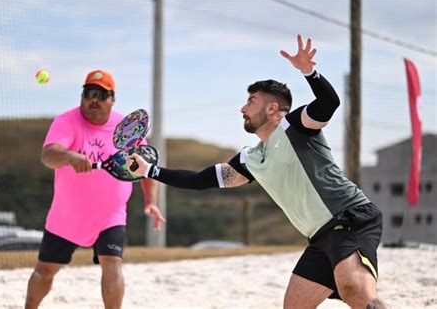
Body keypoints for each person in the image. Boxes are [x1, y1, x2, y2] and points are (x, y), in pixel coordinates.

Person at [129, 35, 388, 308]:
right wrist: (150, 170)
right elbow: (198, 180)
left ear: (272, 108)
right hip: (320, 235)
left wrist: (309, 72)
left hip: (350, 218)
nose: (243, 108)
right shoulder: (251, 159)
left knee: (356, 292)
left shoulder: (295, 126)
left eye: (250, 101)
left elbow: (329, 103)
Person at [25, 69, 166, 309]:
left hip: (110, 215)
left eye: (102, 94)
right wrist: (70, 157)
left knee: (112, 263)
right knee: (45, 270)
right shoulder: (67, 121)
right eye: (89, 93)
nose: (94, 99)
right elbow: (48, 155)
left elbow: (146, 166)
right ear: (82, 96)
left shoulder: (127, 128)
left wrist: (150, 201)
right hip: (67, 215)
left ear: (112, 99)